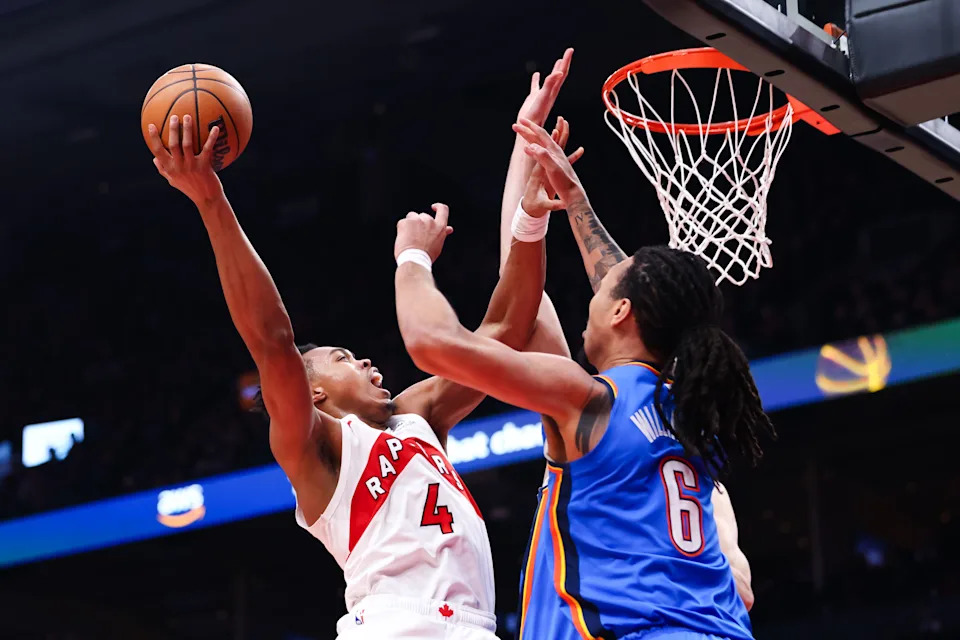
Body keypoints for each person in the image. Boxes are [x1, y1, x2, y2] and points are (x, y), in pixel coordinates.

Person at [144, 50, 576, 640]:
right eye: (342, 359)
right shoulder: (315, 447)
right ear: (314, 392)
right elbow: (272, 342)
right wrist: (210, 200)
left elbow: (505, 331)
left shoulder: (418, 417)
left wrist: (528, 203)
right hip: (394, 626)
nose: (365, 359)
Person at [394, 118, 775, 639]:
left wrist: (412, 257)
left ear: (620, 313)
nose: (591, 297)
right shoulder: (688, 415)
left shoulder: (586, 399)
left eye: (603, 294)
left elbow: (433, 340)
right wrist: (551, 189)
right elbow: (541, 294)